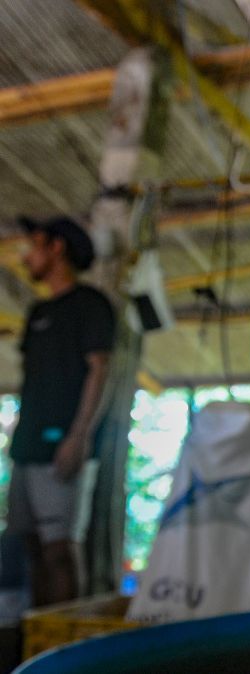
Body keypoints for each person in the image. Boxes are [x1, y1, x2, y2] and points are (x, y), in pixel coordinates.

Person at [6, 216, 114, 607]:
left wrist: (79, 435)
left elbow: (99, 370)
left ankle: (66, 642)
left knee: (59, 548)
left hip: (63, 444)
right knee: (31, 545)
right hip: (27, 445)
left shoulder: (90, 305)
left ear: (57, 248)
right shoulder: (38, 313)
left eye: (34, 244)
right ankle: (38, 641)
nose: (26, 255)